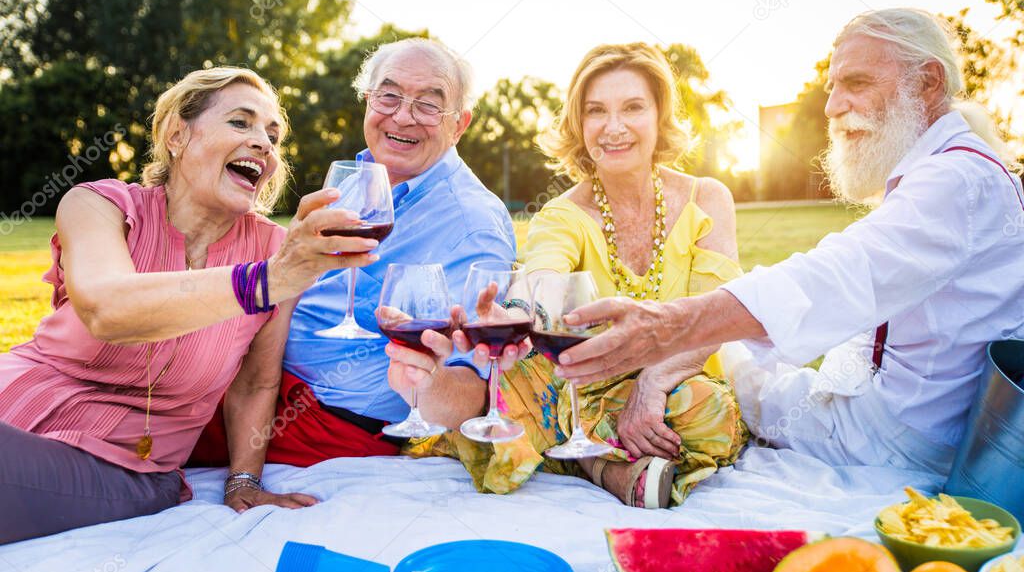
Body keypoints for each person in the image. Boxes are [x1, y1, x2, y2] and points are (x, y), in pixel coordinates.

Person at [554, 9, 1024, 475]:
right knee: (727, 357)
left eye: (856, 83)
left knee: (730, 368)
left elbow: (837, 275)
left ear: (927, 83)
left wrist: (671, 327)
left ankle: (617, 445)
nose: (832, 106)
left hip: (894, 441)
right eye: (832, 87)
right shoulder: (955, 169)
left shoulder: (956, 181)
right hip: (895, 417)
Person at [0, 68, 379, 545]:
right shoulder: (100, 205)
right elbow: (106, 308)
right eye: (241, 123)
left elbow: (256, 381)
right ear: (177, 135)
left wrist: (244, 480)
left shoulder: (273, 250)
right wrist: (267, 279)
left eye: (272, 135)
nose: (263, 143)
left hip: (122, 464)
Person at [404, 43, 748, 509]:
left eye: (632, 107)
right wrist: (512, 315)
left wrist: (652, 384)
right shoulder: (562, 213)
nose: (614, 127)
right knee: (511, 391)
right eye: (596, 111)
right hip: (581, 379)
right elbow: (541, 281)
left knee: (707, 410)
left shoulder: (707, 198)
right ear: (579, 124)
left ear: (660, 115)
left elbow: (717, 317)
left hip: (675, 378)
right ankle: (600, 463)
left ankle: (580, 452)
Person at [189, 38, 517, 467]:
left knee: (133, 443)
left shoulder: (474, 224)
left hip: (319, 425)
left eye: (428, 104)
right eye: (389, 95)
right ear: (367, 100)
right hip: (246, 382)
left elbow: (466, 396)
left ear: (460, 125)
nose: (402, 115)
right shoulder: (357, 182)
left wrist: (425, 376)